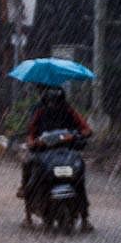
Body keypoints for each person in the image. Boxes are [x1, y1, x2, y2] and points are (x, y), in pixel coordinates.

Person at [18, 84, 94, 231]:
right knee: (29, 167)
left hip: (67, 151)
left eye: (57, 102)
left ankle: (85, 218)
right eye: (51, 101)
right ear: (46, 100)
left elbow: (85, 127)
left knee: (79, 180)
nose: (54, 105)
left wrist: (81, 134)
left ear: (62, 100)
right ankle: (27, 213)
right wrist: (33, 141)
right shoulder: (38, 111)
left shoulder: (69, 110)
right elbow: (31, 131)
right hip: (43, 151)